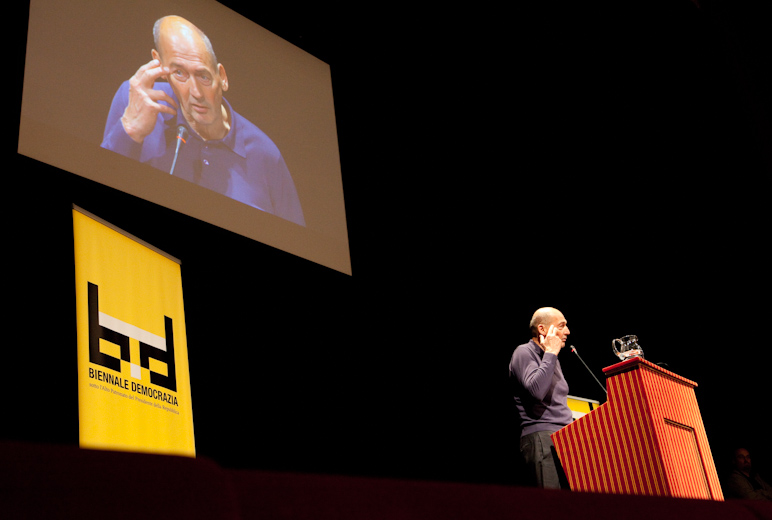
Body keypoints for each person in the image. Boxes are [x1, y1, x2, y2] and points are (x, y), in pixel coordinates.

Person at [101, 15, 305, 227]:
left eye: (203, 76)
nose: (196, 93)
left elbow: (295, 239)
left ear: (222, 77)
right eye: (179, 73)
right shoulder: (134, 102)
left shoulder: (265, 155)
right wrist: (129, 131)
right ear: (159, 64)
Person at [509, 307, 573, 489]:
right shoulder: (524, 352)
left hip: (565, 437)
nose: (567, 331)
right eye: (561, 326)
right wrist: (551, 353)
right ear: (542, 329)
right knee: (551, 503)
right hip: (542, 437)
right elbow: (537, 391)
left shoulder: (551, 359)